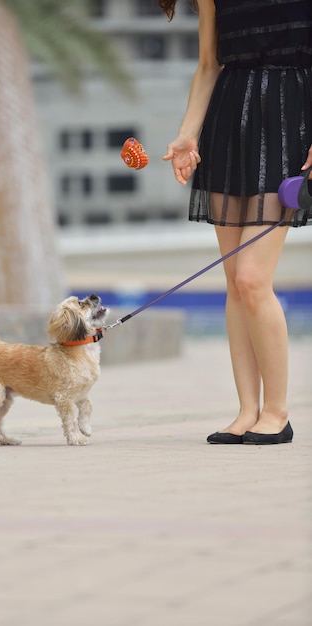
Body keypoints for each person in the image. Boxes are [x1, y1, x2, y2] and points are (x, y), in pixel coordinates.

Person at [159, 0, 312, 444]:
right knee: (233, 281)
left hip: (291, 124)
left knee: (251, 279)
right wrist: (188, 132)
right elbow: (209, 65)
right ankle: (248, 410)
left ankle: (278, 413)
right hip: (230, 124)